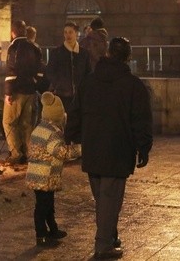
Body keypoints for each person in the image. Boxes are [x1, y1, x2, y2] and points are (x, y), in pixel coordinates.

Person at [65, 37, 153, 260]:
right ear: (127, 57)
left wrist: (72, 136)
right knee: (109, 199)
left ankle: (109, 237)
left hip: (93, 148)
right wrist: (143, 147)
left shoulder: (89, 81)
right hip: (118, 149)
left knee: (103, 199)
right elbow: (141, 119)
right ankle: (103, 244)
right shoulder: (133, 85)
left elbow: (76, 111)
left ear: (108, 55)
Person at [26, 91, 82, 247]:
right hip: (45, 175)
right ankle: (41, 234)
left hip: (38, 175)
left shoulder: (39, 128)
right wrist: (81, 149)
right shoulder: (52, 134)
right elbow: (61, 152)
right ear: (59, 116)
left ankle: (53, 229)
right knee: (43, 207)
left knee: (47, 204)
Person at [2, 20, 44, 166]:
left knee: (9, 122)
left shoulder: (13, 47)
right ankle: (29, 153)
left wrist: (8, 92)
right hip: (30, 91)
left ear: (12, 32)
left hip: (17, 90)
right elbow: (40, 70)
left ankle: (16, 154)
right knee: (27, 124)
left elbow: (11, 71)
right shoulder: (34, 47)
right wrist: (34, 82)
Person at [46, 21, 91, 110]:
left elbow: (88, 72)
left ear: (76, 34)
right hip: (62, 95)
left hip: (79, 96)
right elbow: (50, 71)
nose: (67, 35)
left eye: (70, 32)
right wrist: (58, 85)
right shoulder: (57, 53)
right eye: (65, 32)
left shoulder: (84, 53)